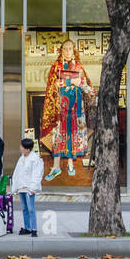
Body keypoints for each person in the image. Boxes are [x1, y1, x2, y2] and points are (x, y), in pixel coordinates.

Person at [40, 38, 94, 181]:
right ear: (61, 51)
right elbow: (54, 85)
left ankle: (70, 163)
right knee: (58, 136)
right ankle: (56, 166)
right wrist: (71, 81)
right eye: (65, 49)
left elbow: (85, 85)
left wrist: (88, 90)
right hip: (60, 110)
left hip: (76, 109)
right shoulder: (56, 66)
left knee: (72, 135)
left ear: (74, 50)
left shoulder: (79, 67)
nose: (68, 51)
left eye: (70, 49)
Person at [11, 138, 44, 236]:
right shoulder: (22, 158)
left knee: (31, 208)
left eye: (21, 146)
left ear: (27, 149)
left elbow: (37, 174)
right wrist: (15, 186)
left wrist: (33, 188)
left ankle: (34, 229)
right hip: (21, 187)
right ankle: (27, 227)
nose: (20, 148)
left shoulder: (35, 159)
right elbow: (16, 172)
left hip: (29, 188)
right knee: (25, 208)